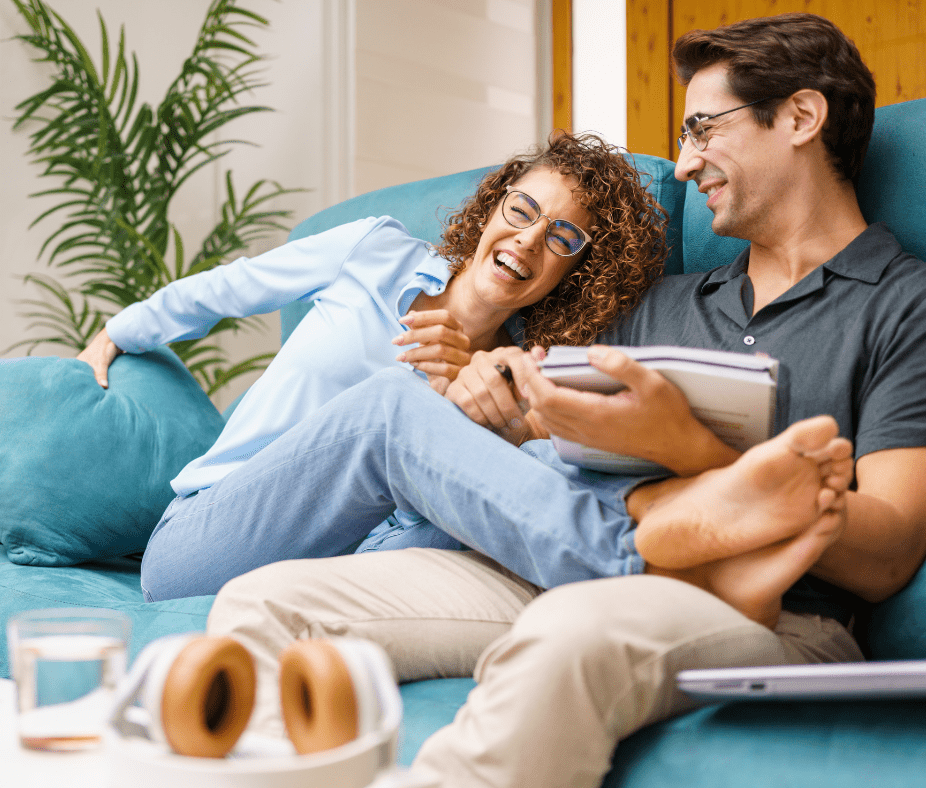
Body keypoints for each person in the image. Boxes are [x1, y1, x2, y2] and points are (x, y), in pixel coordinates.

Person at [205, 12, 926, 788]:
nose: (685, 166)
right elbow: (546, 433)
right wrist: (495, 398)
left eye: (703, 128)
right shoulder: (664, 305)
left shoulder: (901, 305)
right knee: (262, 605)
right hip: (573, 563)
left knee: (569, 633)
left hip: (781, 613)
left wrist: (694, 450)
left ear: (800, 117)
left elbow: (886, 554)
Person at [77, 131, 669, 597]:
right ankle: (631, 568)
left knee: (536, 452)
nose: (530, 239)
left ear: (576, 272)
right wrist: (120, 329)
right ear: (493, 208)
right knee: (390, 405)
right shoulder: (375, 252)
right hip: (206, 543)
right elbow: (230, 288)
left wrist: (492, 424)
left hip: (351, 575)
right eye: (523, 210)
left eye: (564, 237)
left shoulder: (510, 376)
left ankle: (642, 563)